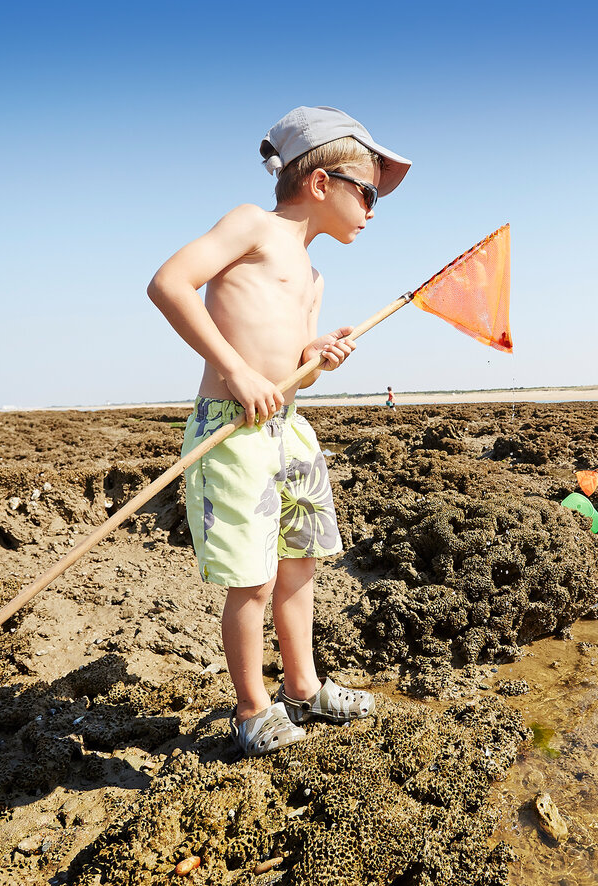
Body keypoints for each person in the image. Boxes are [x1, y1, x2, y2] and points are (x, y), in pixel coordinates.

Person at [147, 106, 410, 756]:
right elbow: (169, 282)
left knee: (300, 566)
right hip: (231, 431)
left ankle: (303, 686)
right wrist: (233, 370)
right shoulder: (252, 225)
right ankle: (252, 708)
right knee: (254, 578)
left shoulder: (315, 275)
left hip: (289, 429)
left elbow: (297, 377)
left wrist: (316, 358)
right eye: (368, 191)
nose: (373, 208)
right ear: (321, 183)